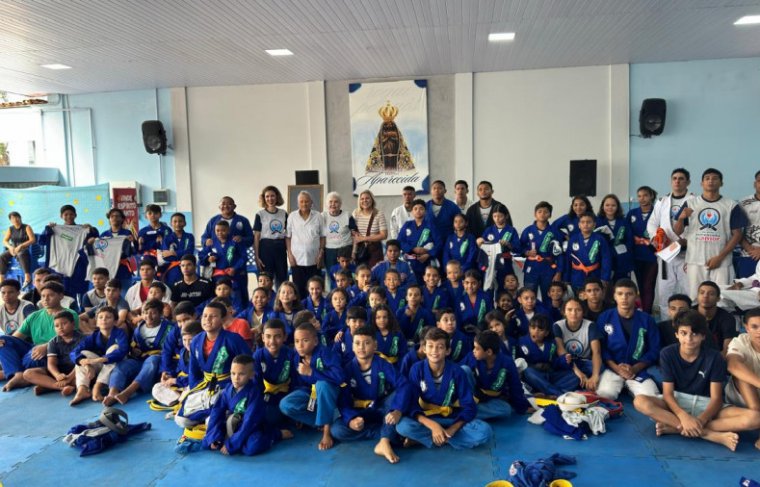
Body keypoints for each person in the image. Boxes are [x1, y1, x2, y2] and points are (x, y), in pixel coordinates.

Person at [633, 309, 760, 451]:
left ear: (703, 336)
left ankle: (675, 428)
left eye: (694, 334)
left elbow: (716, 399)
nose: (689, 339)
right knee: (640, 401)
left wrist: (701, 420)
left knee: (755, 418)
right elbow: (668, 394)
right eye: (684, 333)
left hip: (707, 405)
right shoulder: (667, 354)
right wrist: (683, 416)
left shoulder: (714, 357)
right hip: (677, 402)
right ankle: (708, 434)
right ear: (677, 334)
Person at [395, 327, 493, 449]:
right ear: (424, 349)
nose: (434, 351)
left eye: (440, 347)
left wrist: (453, 428)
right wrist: (433, 425)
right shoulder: (416, 369)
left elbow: (469, 406)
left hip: (452, 417)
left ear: (448, 351)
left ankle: (427, 439)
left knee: (484, 431)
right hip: (427, 416)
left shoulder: (457, 372)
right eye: (430, 346)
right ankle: (442, 437)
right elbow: (411, 404)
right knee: (402, 426)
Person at [332, 326, 410, 463]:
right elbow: (343, 401)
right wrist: (351, 420)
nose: (361, 347)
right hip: (361, 412)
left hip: (383, 407)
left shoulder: (383, 364)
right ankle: (387, 433)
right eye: (357, 343)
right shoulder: (347, 370)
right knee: (337, 430)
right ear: (352, 346)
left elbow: (403, 384)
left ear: (375, 345)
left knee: (397, 395)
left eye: (366, 343)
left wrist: (397, 410)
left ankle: (384, 441)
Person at [175, 302, 251, 431]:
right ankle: (215, 416)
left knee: (211, 421)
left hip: (229, 386)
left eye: (213, 316)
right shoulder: (196, 340)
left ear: (223, 319)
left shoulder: (233, 340)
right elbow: (193, 372)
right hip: (206, 386)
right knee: (182, 420)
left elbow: (249, 365)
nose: (207, 320)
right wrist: (197, 392)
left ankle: (226, 415)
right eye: (205, 316)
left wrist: (242, 390)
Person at [673, 168, 747, 299]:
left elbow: (737, 234)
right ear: (701, 183)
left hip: (721, 261)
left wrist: (720, 257)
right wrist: (680, 218)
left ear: (721, 183)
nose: (711, 181)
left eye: (715, 178)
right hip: (695, 260)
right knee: (695, 297)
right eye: (707, 178)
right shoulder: (690, 203)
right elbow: (677, 231)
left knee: (722, 298)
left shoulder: (730, 205)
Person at [203, 354, 291, 456]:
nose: (236, 378)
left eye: (241, 374)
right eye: (233, 373)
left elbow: (250, 421)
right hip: (235, 424)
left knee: (252, 447)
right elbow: (216, 412)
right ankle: (231, 439)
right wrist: (213, 437)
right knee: (213, 434)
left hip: (253, 426)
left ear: (251, 375)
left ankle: (276, 434)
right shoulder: (227, 390)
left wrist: (231, 444)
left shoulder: (254, 392)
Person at [0, 282, 78, 391]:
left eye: (50, 295)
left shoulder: (70, 314)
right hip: (34, 349)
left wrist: (47, 346)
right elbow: (16, 338)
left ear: (61, 296)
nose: (45, 299)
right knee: (4, 340)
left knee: (31, 359)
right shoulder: (34, 316)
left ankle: (12, 372)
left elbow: (68, 337)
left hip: (54, 353)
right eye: (43, 296)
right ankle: (18, 374)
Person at [280, 322, 345, 450]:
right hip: (311, 393)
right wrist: (300, 415)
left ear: (315, 341)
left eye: (305, 340)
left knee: (322, 385)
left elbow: (340, 377)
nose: (300, 345)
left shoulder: (325, 353)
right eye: (297, 341)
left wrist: (312, 372)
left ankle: (327, 431)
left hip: (331, 392)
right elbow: (297, 383)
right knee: (285, 404)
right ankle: (319, 422)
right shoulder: (296, 357)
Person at [596, 279, 660, 400]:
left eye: (629, 294)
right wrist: (616, 368)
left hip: (638, 369)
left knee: (651, 398)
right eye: (620, 294)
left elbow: (654, 349)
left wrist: (635, 368)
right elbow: (601, 348)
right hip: (613, 368)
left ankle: (631, 388)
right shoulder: (605, 317)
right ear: (614, 296)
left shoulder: (647, 320)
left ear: (636, 296)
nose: (624, 298)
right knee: (604, 395)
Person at [104, 299, 174, 406]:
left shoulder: (170, 328)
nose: (148, 316)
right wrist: (134, 350)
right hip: (140, 360)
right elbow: (133, 344)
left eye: (153, 313)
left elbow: (171, 350)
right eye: (145, 313)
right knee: (122, 366)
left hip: (158, 364)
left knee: (152, 360)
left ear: (161, 314)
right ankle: (112, 393)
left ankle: (128, 392)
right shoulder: (139, 329)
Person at [647, 168, 694, 315]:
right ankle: (666, 323)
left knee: (689, 290)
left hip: (687, 254)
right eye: (674, 178)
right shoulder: (662, 201)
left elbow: (698, 227)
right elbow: (652, 223)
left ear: (688, 182)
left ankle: (689, 323)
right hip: (666, 253)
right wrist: (657, 238)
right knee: (665, 291)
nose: (677, 181)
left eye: (681, 178)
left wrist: (687, 241)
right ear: (671, 181)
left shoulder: (695, 201)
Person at [462, 330, 532, 419]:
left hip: (489, 399)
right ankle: (467, 410)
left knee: (506, 410)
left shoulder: (507, 363)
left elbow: (515, 387)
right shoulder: (471, 357)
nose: (473, 351)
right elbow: (455, 373)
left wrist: (522, 407)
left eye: (477, 348)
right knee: (464, 369)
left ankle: (464, 412)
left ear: (489, 352)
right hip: (471, 397)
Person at [69, 306, 129, 405]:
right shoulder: (94, 336)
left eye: (108, 317)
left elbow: (122, 351)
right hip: (103, 367)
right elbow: (74, 352)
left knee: (114, 348)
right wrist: (85, 363)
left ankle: (97, 386)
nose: (104, 319)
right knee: (83, 354)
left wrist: (99, 360)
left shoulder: (120, 333)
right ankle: (82, 390)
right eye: (100, 317)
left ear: (115, 322)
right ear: (96, 322)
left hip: (118, 366)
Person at [41, 205, 99, 300]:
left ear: (75, 215)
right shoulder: (55, 229)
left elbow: (96, 238)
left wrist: (91, 229)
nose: (69, 216)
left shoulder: (83, 229)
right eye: (66, 214)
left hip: (78, 265)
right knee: (62, 292)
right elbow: (42, 241)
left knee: (81, 291)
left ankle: (82, 307)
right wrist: (47, 229)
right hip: (60, 264)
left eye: (71, 214)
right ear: (61, 216)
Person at [22, 310, 82, 396]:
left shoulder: (82, 339)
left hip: (76, 371)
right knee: (28, 373)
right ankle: (61, 387)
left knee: (86, 376)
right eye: (56, 326)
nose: (60, 328)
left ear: (73, 324)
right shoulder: (53, 342)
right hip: (60, 372)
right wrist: (57, 375)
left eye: (64, 324)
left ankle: (49, 386)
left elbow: (81, 363)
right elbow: (51, 364)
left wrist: (69, 378)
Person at [725, 308, 760, 450]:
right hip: (741, 398)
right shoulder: (740, 341)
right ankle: (757, 412)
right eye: (755, 327)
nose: (759, 331)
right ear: (746, 327)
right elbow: (732, 365)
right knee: (741, 376)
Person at [518, 315, 578, 397]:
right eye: (533, 328)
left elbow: (555, 362)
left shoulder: (551, 343)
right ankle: (558, 394)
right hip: (535, 377)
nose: (536, 331)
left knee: (574, 377)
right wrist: (534, 366)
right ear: (529, 328)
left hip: (550, 375)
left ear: (546, 333)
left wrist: (564, 360)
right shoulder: (522, 342)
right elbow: (520, 364)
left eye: (540, 330)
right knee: (528, 372)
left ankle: (547, 393)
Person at [554, 298, 603, 391]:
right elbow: (560, 350)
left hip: (585, 362)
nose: (573, 313)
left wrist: (595, 376)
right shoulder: (558, 326)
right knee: (569, 373)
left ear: (583, 312)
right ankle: (581, 382)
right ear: (564, 312)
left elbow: (596, 352)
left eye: (578, 310)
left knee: (599, 368)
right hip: (568, 364)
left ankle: (576, 384)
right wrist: (578, 372)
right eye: (569, 310)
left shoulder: (590, 325)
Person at [286, 191, 325, 299]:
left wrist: (321, 253)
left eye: (307, 201)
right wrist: (289, 254)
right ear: (298, 203)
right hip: (297, 260)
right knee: (298, 290)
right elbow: (288, 237)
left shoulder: (318, 216)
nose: (304, 204)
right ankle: (301, 309)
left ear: (311, 202)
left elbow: (322, 236)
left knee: (315, 289)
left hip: (314, 260)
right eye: (301, 201)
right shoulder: (292, 216)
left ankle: (315, 308)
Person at [521, 201, 563, 301]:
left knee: (549, 297)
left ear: (550, 215)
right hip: (531, 268)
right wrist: (526, 252)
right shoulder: (528, 230)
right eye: (539, 211)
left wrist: (559, 272)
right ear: (535, 214)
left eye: (546, 212)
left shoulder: (555, 232)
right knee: (529, 296)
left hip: (548, 268)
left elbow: (560, 255)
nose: (542, 214)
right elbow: (519, 248)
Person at [563, 211, 612, 294]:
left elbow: (606, 259)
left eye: (589, 222)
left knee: (594, 297)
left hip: (595, 274)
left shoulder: (600, 239)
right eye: (583, 222)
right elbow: (568, 259)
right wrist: (566, 278)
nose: (585, 224)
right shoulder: (573, 239)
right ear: (579, 225)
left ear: (594, 224)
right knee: (579, 298)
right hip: (577, 276)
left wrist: (604, 277)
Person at [627, 186, 658, 314]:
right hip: (636, 255)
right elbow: (626, 232)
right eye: (639, 196)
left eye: (645, 195)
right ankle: (641, 311)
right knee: (640, 285)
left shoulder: (657, 212)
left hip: (653, 255)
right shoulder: (632, 213)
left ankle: (647, 314)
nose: (642, 198)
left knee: (648, 285)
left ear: (651, 196)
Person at [477, 203, 521, 289]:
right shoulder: (489, 230)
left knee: (504, 289)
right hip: (490, 263)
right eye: (495, 216)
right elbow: (482, 248)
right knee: (489, 288)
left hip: (505, 263)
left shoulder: (511, 230)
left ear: (506, 216)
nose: (497, 219)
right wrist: (479, 243)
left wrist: (508, 244)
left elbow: (518, 248)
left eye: (500, 216)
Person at [254, 186, 289, 288]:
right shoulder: (260, 214)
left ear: (277, 197)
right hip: (265, 248)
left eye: (272, 196)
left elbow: (288, 234)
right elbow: (256, 236)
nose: (270, 199)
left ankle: (281, 297)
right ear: (264, 198)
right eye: (267, 196)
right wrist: (257, 256)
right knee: (266, 279)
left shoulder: (283, 213)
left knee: (282, 278)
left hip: (280, 247)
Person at [596, 194, 634, 286]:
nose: (610, 207)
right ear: (602, 206)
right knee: (606, 289)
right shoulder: (597, 221)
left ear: (617, 207)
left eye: (613, 205)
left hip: (621, 260)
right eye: (607, 205)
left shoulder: (624, 221)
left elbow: (629, 240)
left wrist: (623, 251)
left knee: (622, 287)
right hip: (603, 261)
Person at [399, 199, 439, 283]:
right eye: (415, 208)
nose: (418, 211)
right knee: (410, 284)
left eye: (421, 208)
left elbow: (439, 243)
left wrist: (428, 254)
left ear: (425, 211)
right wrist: (412, 249)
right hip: (409, 259)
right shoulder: (407, 225)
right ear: (412, 211)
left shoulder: (430, 225)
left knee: (426, 284)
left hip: (426, 260)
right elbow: (399, 241)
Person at [694, 281, 737, 357]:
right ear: (697, 296)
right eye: (702, 293)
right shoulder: (688, 315)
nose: (705, 296)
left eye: (711, 294)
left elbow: (727, 350)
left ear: (718, 299)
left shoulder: (727, 318)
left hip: (717, 357)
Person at [322, 192, 357, 282]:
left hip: (346, 250)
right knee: (333, 277)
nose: (333, 204)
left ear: (340, 204)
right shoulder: (323, 216)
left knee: (348, 277)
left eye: (336, 202)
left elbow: (355, 235)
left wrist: (353, 251)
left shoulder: (347, 215)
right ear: (326, 204)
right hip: (330, 252)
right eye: (330, 202)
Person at [99, 208, 137, 292]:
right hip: (108, 268)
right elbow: (99, 251)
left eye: (117, 216)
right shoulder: (104, 235)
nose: (114, 218)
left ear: (122, 219)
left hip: (123, 268)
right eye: (112, 216)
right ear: (109, 219)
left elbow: (133, 251)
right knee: (109, 293)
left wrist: (133, 241)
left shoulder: (127, 233)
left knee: (125, 293)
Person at [0, 211, 36, 287]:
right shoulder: (10, 229)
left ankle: (27, 277)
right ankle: (1, 279)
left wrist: (21, 246)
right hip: (13, 249)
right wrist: (10, 247)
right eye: (12, 218)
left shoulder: (27, 227)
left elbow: (32, 240)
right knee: (2, 256)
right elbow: (5, 241)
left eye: (17, 217)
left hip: (25, 249)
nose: (15, 219)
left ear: (20, 218)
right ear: (10, 220)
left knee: (21, 254)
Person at [425, 181, 460, 258]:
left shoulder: (452, 207)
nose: (437, 190)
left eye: (440, 188)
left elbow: (459, 225)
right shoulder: (425, 207)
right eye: (434, 188)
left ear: (445, 191)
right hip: (429, 244)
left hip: (447, 243)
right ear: (431, 191)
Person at [159, 212, 195, 286]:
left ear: (185, 223)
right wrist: (182, 254)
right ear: (171, 223)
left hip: (187, 267)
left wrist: (174, 253)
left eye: (180, 221)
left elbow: (190, 252)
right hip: (172, 269)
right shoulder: (167, 238)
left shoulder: (189, 236)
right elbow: (166, 256)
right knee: (173, 287)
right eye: (175, 221)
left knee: (188, 286)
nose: (177, 224)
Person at [736, 170, 760, 279]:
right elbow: (736, 231)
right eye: (759, 181)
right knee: (746, 287)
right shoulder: (743, 203)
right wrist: (750, 250)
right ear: (755, 184)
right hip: (749, 255)